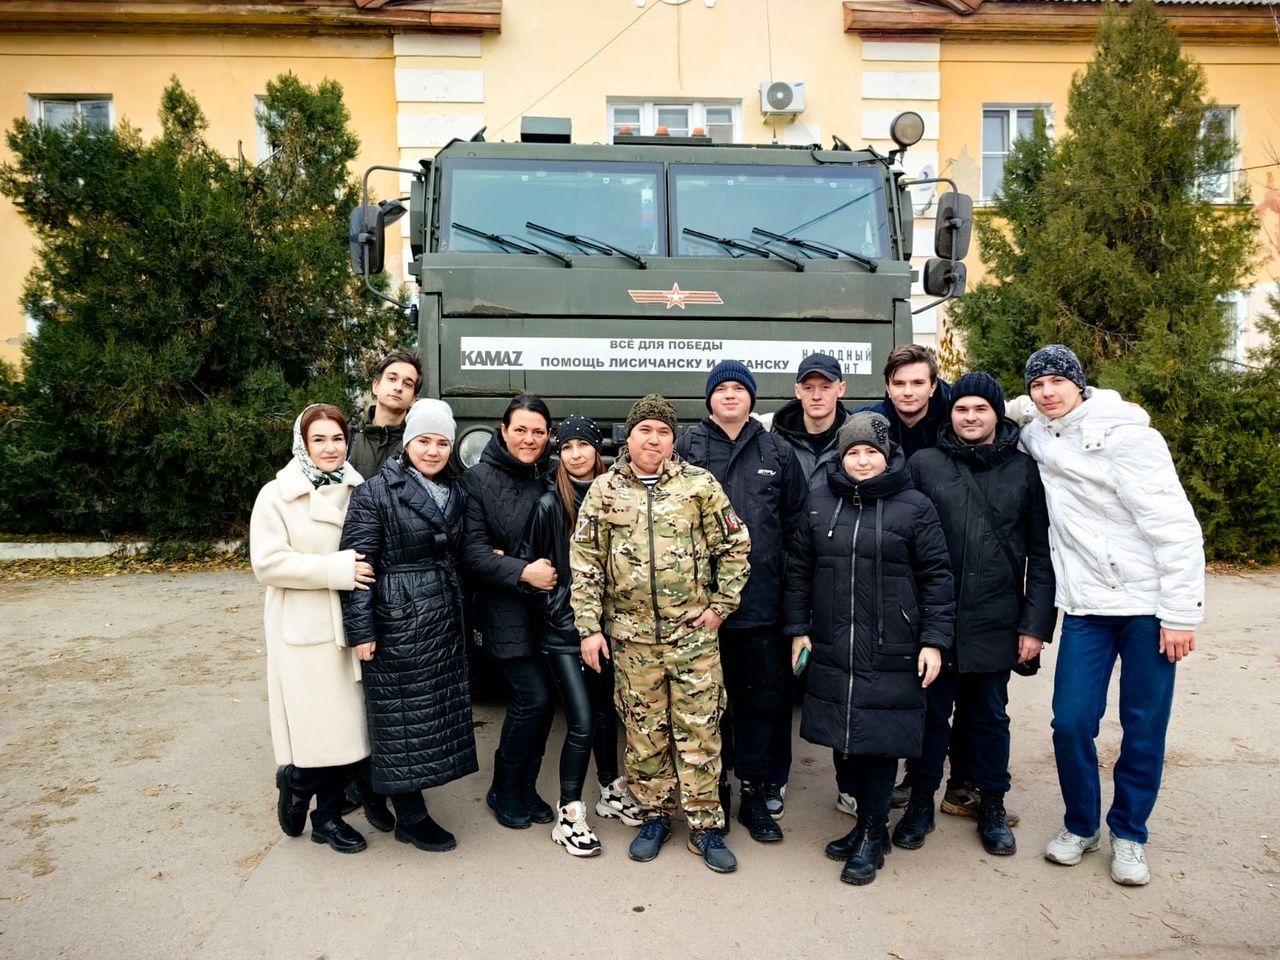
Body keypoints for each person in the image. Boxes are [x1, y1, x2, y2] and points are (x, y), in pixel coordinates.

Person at [1018, 345, 1204, 886]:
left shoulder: (1132, 440)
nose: (1047, 392)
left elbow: (1175, 527)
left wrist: (1180, 614)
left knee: (1143, 725)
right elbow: (996, 407)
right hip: (1086, 608)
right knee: (1071, 721)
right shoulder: (1037, 432)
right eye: (1037, 384)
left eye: (1057, 381)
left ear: (1080, 384)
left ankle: (1129, 833)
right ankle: (1081, 825)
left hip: (1148, 609)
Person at [571, 394, 751, 873]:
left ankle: (705, 826)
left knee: (700, 730)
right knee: (644, 733)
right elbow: (586, 564)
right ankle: (654, 815)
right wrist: (589, 628)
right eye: (645, 430)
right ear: (628, 436)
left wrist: (720, 607)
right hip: (631, 640)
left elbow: (735, 545)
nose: (654, 439)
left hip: (692, 637)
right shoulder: (605, 491)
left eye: (663, 432)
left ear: (674, 440)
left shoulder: (698, 486)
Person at [785, 411, 954, 886]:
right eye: (853, 452)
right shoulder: (820, 503)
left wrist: (934, 641)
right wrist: (799, 628)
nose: (861, 461)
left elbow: (937, 579)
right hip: (835, 642)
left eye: (871, 452)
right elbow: (799, 569)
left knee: (878, 742)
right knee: (845, 739)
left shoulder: (914, 506)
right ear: (841, 456)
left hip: (892, 646)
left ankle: (874, 833)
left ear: (888, 456)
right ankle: (862, 824)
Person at [896, 372, 1056, 857]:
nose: (970, 417)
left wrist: (1034, 625)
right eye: (962, 409)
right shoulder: (924, 464)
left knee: (988, 717)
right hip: (935, 619)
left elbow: (1041, 554)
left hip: (995, 617)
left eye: (980, 410)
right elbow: (902, 538)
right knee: (929, 716)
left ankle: (990, 802)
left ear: (995, 415)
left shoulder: (1024, 471)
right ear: (952, 413)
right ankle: (920, 801)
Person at [339, 398, 479, 852]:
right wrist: (361, 632)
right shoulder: (376, 492)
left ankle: (378, 789)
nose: (433, 450)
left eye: (442, 442)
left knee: (427, 717)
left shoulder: (457, 490)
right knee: (400, 718)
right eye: (424, 440)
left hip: (442, 617)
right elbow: (358, 568)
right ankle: (411, 817)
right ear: (407, 441)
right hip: (397, 616)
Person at [676, 360, 807, 842]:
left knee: (759, 705)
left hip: (760, 606)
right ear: (709, 398)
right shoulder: (686, 448)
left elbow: (796, 526)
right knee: (705, 708)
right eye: (721, 388)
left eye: (739, 388)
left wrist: (793, 598)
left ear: (753, 397)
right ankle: (713, 797)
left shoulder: (777, 450)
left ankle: (754, 793)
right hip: (697, 609)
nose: (730, 395)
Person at [250, 403, 376, 854]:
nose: (329, 448)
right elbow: (267, 564)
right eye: (318, 439)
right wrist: (333, 570)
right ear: (303, 444)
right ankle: (319, 810)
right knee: (322, 728)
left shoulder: (359, 488)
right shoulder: (276, 495)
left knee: (350, 730)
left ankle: (300, 786)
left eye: (337, 438)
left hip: (353, 623)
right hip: (303, 627)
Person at [515, 414, 640, 856]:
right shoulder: (551, 505)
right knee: (583, 721)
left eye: (583, 446)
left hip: (609, 630)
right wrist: (567, 621)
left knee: (607, 716)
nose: (576, 454)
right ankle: (569, 812)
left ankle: (610, 790)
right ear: (559, 454)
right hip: (565, 634)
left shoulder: (616, 497)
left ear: (597, 451)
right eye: (566, 448)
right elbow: (534, 572)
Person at [460, 395, 560, 830]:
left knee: (544, 700)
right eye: (520, 429)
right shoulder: (478, 480)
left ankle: (527, 786)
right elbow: (472, 554)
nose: (529, 439)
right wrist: (524, 570)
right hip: (504, 610)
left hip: (548, 610)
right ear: (502, 431)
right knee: (532, 698)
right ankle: (502, 787)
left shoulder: (553, 475)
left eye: (538, 431)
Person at [770, 352, 854, 818]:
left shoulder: (860, 438)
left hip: (844, 579)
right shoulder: (773, 439)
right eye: (809, 386)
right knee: (781, 688)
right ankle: (774, 781)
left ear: (841, 389)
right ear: (797, 390)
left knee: (843, 683)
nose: (817, 394)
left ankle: (850, 783)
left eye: (827, 385)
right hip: (787, 580)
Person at [346, 351, 422, 480]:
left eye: (408, 384)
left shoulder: (418, 445)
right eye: (392, 379)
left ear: (413, 399)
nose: (398, 387)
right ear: (376, 386)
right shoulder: (346, 438)